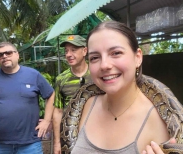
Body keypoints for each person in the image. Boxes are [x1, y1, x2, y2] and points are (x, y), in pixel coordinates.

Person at [67, 21, 173, 154]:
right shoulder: (87, 105)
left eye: (116, 53)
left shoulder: (160, 122)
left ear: (138, 57)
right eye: (94, 57)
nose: (104, 65)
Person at [0, 42, 55, 154]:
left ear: (17, 55)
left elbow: (51, 94)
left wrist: (47, 120)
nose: (4, 56)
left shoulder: (33, 75)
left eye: (8, 53)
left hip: (30, 144)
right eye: (0, 55)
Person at [52, 35, 91, 154]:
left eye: (73, 50)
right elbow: (58, 111)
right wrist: (57, 143)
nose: (68, 54)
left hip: (96, 131)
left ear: (85, 51)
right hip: (70, 135)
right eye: (66, 51)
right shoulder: (61, 79)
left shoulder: (97, 73)